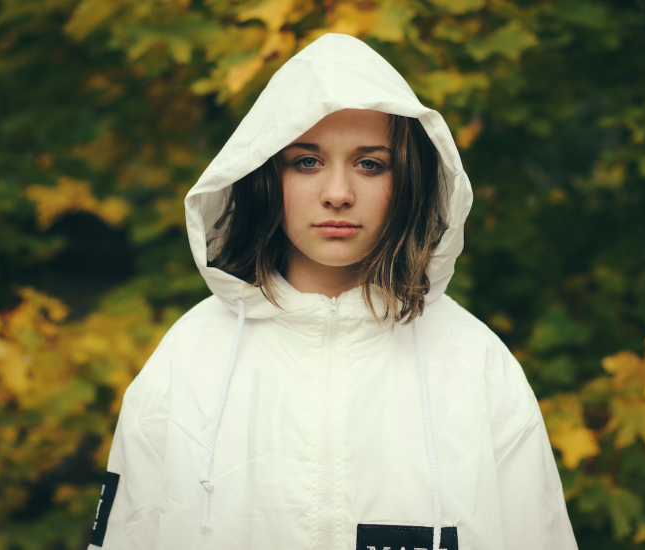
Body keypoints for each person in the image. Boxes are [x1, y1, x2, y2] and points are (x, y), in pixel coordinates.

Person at [87, 33, 578, 550]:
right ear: (263, 177)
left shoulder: (474, 362)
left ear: (407, 181)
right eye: (307, 161)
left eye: (370, 164)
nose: (338, 194)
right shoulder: (190, 356)